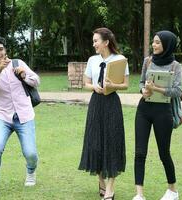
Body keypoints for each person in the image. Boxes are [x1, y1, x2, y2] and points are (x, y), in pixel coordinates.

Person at [0, 34, 40, 198]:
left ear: (5, 50)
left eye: (1, 49)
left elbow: (36, 81)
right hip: (3, 117)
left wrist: (24, 75)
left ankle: (31, 171)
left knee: (31, 153)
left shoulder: (18, 63)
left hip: (24, 115)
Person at [78, 27, 129, 200]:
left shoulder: (120, 60)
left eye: (96, 41)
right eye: (93, 41)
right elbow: (86, 83)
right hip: (96, 103)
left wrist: (112, 86)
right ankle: (100, 180)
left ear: (106, 42)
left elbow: (126, 84)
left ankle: (110, 188)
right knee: (95, 142)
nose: (94, 45)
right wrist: (94, 87)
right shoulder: (92, 60)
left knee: (113, 142)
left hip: (112, 103)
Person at [132, 31, 182, 200]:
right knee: (140, 152)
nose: (154, 45)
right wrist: (143, 90)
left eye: (158, 43)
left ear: (167, 45)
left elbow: (178, 91)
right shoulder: (148, 61)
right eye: (153, 42)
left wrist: (157, 89)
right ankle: (139, 194)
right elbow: (140, 82)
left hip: (163, 112)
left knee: (164, 153)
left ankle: (172, 190)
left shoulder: (176, 66)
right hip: (144, 109)